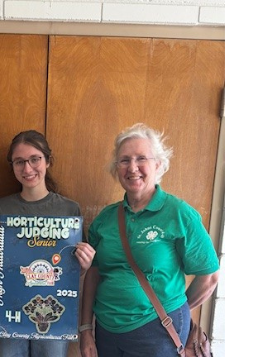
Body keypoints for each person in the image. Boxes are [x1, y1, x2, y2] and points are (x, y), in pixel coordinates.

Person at [77, 123, 220, 357]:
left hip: (157, 333)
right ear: (117, 168)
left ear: (158, 164)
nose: (132, 167)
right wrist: (85, 330)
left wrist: (171, 311)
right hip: (106, 330)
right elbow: (94, 273)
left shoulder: (179, 213)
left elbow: (210, 276)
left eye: (141, 158)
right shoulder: (105, 219)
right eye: (124, 160)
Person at [0, 130, 83, 356]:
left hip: (56, 313)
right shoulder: (1, 208)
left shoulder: (69, 210)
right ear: (12, 166)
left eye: (35, 159)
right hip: (10, 308)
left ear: (48, 161)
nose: (28, 168)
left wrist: (86, 263)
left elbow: (76, 272)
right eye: (19, 162)